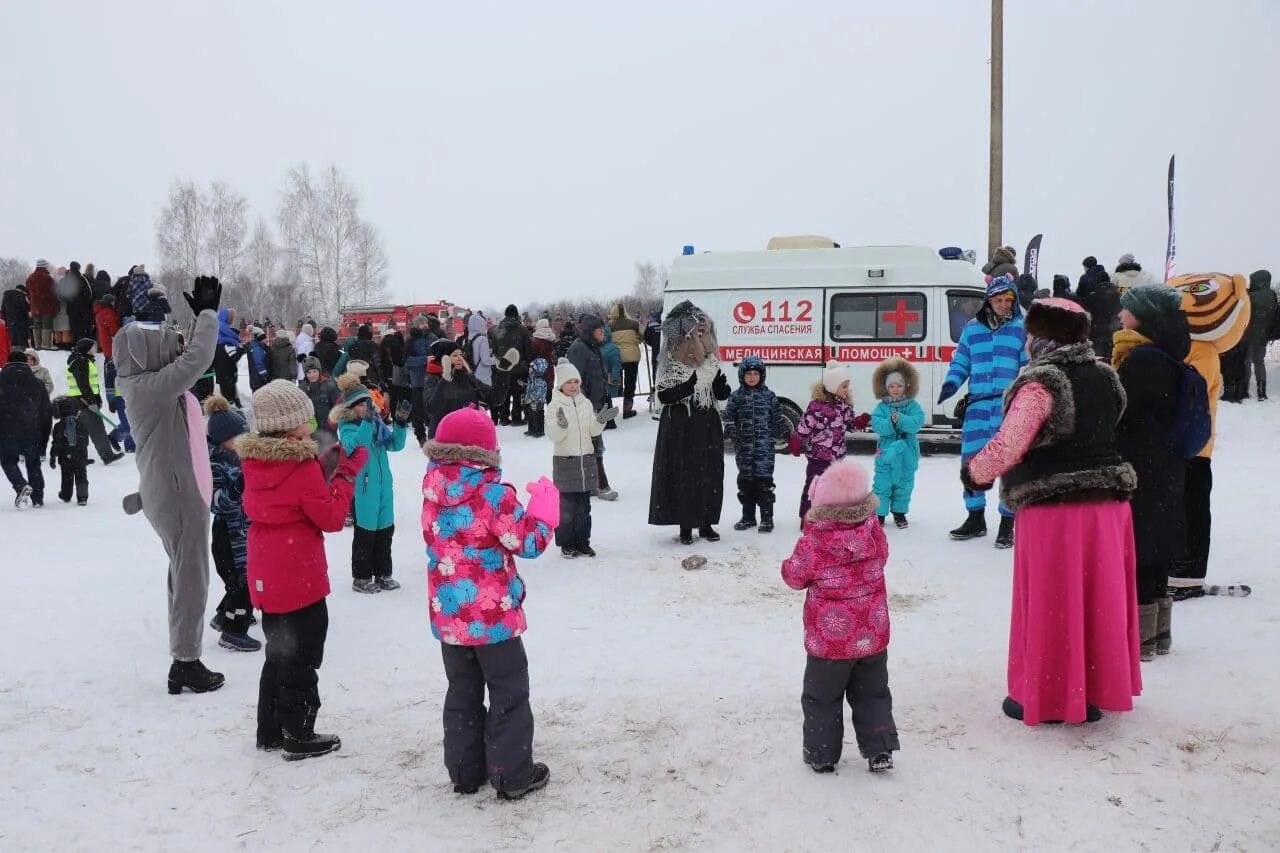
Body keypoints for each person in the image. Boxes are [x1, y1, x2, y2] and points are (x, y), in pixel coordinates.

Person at [963, 298, 1141, 726]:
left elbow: (1009, 443)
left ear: (1043, 337)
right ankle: (1093, 689)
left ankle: (1051, 695)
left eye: (1030, 333)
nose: (1025, 341)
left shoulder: (1042, 384)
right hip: (1108, 509)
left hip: (1056, 510)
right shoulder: (1105, 375)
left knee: (1054, 602)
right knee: (1098, 601)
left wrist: (975, 475)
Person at [421, 406, 556, 798]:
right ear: (486, 451)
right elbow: (529, 542)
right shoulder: (492, 494)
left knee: (461, 692)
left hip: (450, 614)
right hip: (492, 616)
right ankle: (512, 774)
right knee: (508, 690)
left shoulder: (432, 490)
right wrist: (545, 513)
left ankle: (465, 771)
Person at [241, 379, 368, 760]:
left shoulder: (256, 461)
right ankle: (298, 732)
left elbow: (288, 500)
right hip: (298, 573)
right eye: (306, 421)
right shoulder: (299, 466)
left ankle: (270, 729)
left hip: (267, 569)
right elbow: (329, 517)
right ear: (290, 425)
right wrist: (344, 476)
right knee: (303, 655)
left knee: (278, 652)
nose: (312, 425)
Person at [114, 276, 226, 695]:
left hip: (175, 486)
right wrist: (208, 317)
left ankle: (185, 653)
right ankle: (186, 662)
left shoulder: (155, 383)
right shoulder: (148, 387)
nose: (169, 340)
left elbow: (189, 358)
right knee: (191, 574)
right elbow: (194, 361)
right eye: (158, 338)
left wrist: (198, 322)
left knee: (185, 572)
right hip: (177, 491)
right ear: (141, 352)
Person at [782, 458, 898, 773]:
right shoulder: (872, 532)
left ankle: (821, 754)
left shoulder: (815, 541)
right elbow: (883, 557)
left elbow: (794, 577)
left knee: (822, 698)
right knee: (873, 693)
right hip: (871, 636)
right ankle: (880, 748)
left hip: (829, 644)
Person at [1111, 286, 1191, 660]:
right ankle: (1159, 635)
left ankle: (1140, 641)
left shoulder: (1142, 359)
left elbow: (1121, 410)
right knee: (1157, 549)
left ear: (1141, 316)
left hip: (1142, 463)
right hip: (1167, 463)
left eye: (1126, 311)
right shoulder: (1168, 354)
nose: (1120, 316)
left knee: (1141, 548)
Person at [1165, 273, 1252, 599]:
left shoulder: (1201, 352)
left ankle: (1188, 575)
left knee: (1193, 507)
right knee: (1181, 506)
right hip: (1183, 443)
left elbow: (1188, 397)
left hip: (1194, 445)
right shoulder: (1185, 348)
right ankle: (1178, 569)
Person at [938, 275, 1028, 548]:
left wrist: (1022, 396)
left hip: (1007, 406)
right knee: (973, 463)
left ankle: (1007, 523)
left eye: (1008, 300)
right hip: (977, 406)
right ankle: (975, 518)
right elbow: (961, 362)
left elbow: (1027, 367)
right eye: (998, 299)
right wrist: (952, 383)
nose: (1003, 305)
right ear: (988, 300)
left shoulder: (1021, 328)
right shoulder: (972, 329)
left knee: (1010, 465)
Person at [649, 301, 731, 544]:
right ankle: (685, 526)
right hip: (680, 426)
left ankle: (706, 523)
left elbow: (721, 392)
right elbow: (664, 395)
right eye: (696, 334)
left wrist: (721, 386)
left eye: (704, 333)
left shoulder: (711, 365)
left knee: (709, 474)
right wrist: (691, 384)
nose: (700, 340)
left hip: (706, 423)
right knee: (683, 474)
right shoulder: (672, 366)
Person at [335, 373, 410, 593]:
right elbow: (353, 446)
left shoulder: (376, 424)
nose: (364, 407)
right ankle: (361, 577)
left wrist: (401, 423)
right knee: (366, 533)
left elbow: (395, 445)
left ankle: (383, 573)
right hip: (364, 487)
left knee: (385, 530)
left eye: (366, 403)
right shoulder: (348, 428)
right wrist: (366, 423)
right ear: (350, 407)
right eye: (359, 405)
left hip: (384, 485)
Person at [203, 396, 260, 653]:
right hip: (228, 533)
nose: (242, 443)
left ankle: (225, 616)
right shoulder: (213, 464)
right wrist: (238, 489)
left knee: (246, 578)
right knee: (243, 581)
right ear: (222, 439)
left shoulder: (240, 457)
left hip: (245, 529)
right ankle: (233, 631)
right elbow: (216, 503)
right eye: (237, 438)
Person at [546, 358, 612, 558]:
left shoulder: (585, 403)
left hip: (585, 461)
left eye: (576, 382)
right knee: (566, 510)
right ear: (561, 385)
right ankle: (567, 543)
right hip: (566, 463)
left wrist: (600, 420)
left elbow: (592, 429)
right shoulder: (555, 406)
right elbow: (553, 435)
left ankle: (583, 541)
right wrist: (561, 425)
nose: (573, 386)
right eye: (568, 382)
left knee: (584, 508)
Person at [723, 356, 789, 533]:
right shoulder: (736, 397)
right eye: (748, 374)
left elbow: (777, 421)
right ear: (741, 376)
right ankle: (748, 517)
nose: (752, 377)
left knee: (764, 484)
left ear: (762, 375)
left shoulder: (769, 397)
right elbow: (728, 418)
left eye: (755, 374)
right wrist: (731, 431)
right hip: (743, 449)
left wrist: (788, 435)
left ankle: (767, 518)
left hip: (764, 450)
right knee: (745, 484)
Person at [791, 362, 859, 523]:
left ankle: (829, 516)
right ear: (833, 386)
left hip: (837, 457)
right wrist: (796, 440)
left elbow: (850, 424)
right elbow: (805, 426)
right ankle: (807, 517)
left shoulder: (844, 406)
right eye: (844, 386)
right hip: (818, 457)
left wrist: (860, 422)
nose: (846, 390)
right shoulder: (816, 406)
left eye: (847, 386)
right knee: (813, 486)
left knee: (833, 488)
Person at [870, 358, 925, 528]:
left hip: (907, 452)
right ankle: (879, 513)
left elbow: (917, 422)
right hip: (886, 452)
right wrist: (891, 423)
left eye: (899, 386)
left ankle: (899, 513)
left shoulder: (913, 406)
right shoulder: (881, 408)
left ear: (906, 386)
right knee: (882, 484)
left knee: (904, 485)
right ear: (886, 388)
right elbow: (878, 426)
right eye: (891, 386)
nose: (895, 389)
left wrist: (901, 420)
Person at [568, 315, 618, 499]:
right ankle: (600, 485)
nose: (603, 333)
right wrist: (580, 404)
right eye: (600, 330)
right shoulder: (579, 349)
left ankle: (590, 484)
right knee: (593, 447)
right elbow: (573, 379)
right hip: (583, 407)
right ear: (591, 331)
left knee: (591, 447)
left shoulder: (593, 348)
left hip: (594, 405)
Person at [0, 348, 51, 509]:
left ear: (7, 363)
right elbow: (45, 413)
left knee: (8, 461)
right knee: (33, 462)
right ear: (25, 363)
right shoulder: (37, 384)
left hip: (5, 429)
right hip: (32, 428)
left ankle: (20, 485)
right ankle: (38, 497)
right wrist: (44, 439)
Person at [66, 338, 124, 464]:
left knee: (81, 431)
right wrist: (91, 400)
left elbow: (91, 384)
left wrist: (97, 399)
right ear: (86, 349)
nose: (95, 348)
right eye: (93, 346)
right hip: (83, 401)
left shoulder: (83, 360)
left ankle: (79, 457)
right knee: (97, 429)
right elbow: (83, 384)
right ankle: (107, 456)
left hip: (80, 401)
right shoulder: (80, 362)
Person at [492, 305, 532, 426]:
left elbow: (494, 350)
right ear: (516, 314)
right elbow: (528, 350)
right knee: (517, 393)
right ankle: (516, 417)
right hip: (519, 366)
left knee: (504, 392)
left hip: (503, 366)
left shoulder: (497, 329)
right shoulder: (523, 330)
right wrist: (526, 363)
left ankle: (503, 417)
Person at [49, 396, 91, 506]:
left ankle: (66, 495)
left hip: (65, 456)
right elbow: (85, 441)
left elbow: (56, 443)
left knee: (66, 476)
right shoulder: (81, 424)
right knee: (81, 475)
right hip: (80, 455)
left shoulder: (58, 426)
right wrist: (83, 456)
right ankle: (82, 497)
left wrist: (53, 456)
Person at [404, 315, 437, 445]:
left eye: (426, 323)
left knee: (433, 409)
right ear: (416, 325)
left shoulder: (433, 338)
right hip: (417, 380)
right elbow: (406, 361)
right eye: (422, 323)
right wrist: (424, 359)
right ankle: (421, 436)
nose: (425, 325)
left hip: (432, 379)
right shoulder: (410, 340)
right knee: (417, 410)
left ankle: (433, 435)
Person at [1244, 270, 1276, 401]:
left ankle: (1244, 389)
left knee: (1246, 362)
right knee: (1259, 362)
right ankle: (1261, 391)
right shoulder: (1272, 295)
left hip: (1247, 335)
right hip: (1263, 336)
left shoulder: (1250, 296)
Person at [608, 303, 643, 418]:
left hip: (616, 356)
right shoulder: (634, 323)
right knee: (630, 381)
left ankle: (613, 401)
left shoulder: (609, 326)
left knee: (617, 379)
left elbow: (606, 339)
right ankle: (627, 408)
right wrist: (636, 341)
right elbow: (642, 335)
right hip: (632, 356)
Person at [300, 357, 341, 440]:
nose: (312, 375)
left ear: (319, 371)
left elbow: (338, 406)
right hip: (311, 431)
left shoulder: (330, 385)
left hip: (328, 430)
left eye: (315, 371)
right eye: (309, 372)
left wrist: (333, 422)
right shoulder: (302, 389)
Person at [1084, 275, 1122, 362]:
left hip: (1096, 330)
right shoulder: (1119, 296)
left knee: (1098, 357)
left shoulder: (1091, 297)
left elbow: (1087, 315)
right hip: (1113, 330)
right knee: (1113, 355)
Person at [378, 320, 409, 414]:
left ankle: (391, 414)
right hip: (396, 379)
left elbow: (380, 366)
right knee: (398, 397)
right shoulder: (399, 349)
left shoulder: (382, 352)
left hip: (391, 379)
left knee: (393, 398)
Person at [26, 260, 58, 351]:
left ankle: (37, 344)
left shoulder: (30, 278)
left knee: (36, 325)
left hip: (34, 306)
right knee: (46, 325)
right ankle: (46, 344)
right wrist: (55, 304)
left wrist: (32, 301)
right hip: (46, 306)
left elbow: (27, 292)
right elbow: (53, 293)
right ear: (44, 266)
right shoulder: (48, 278)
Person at [214, 309, 243, 405]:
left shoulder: (217, 333)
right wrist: (242, 349)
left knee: (227, 394)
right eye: (231, 318)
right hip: (227, 372)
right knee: (228, 399)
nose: (232, 321)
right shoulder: (226, 337)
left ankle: (232, 404)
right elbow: (234, 356)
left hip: (222, 372)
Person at [523, 355, 550, 438]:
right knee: (531, 415)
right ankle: (531, 429)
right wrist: (524, 384)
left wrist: (531, 398)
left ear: (538, 369)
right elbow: (531, 387)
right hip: (531, 401)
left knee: (537, 415)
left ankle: (539, 431)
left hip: (537, 401)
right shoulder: (532, 378)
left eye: (532, 367)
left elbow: (538, 392)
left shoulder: (540, 380)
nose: (529, 369)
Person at [2, 281, 30, 350]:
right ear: (23, 291)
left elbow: (3, 309)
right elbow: (26, 307)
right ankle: (24, 353)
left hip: (9, 322)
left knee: (13, 340)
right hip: (21, 322)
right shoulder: (19, 296)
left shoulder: (6, 296)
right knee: (22, 340)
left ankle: (14, 353)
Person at [245, 327, 271, 391]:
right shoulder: (257, 348)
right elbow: (259, 362)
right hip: (259, 380)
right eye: (263, 338)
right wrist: (265, 375)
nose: (265, 339)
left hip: (256, 379)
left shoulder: (255, 346)